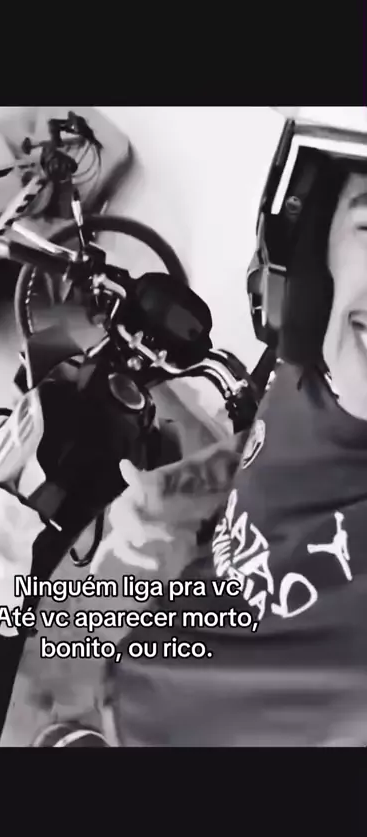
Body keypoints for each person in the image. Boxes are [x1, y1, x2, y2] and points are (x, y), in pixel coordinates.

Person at [34, 116, 367, 747]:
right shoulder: (302, 373)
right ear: (312, 244)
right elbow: (255, 455)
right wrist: (171, 493)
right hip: (128, 685)